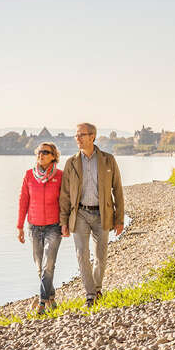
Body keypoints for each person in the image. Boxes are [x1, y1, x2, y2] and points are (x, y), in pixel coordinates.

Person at [60, 122, 125, 304]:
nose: (78, 138)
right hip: (79, 214)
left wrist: (119, 219)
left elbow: (117, 190)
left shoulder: (108, 160)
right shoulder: (71, 162)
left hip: (102, 214)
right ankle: (90, 295)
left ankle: (97, 289)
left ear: (92, 137)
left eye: (81, 135)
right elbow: (65, 194)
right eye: (76, 135)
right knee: (82, 253)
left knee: (101, 254)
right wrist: (63, 222)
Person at [17, 142, 64, 314]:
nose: (41, 155)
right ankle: (51, 297)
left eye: (46, 152)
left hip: (54, 227)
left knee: (48, 265)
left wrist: (65, 224)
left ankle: (42, 303)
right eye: (39, 152)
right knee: (40, 267)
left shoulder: (60, 176)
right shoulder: (29, 175)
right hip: (34, 227)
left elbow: (64, 203)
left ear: (53, 156)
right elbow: (23, 201)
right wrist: (19, 226)